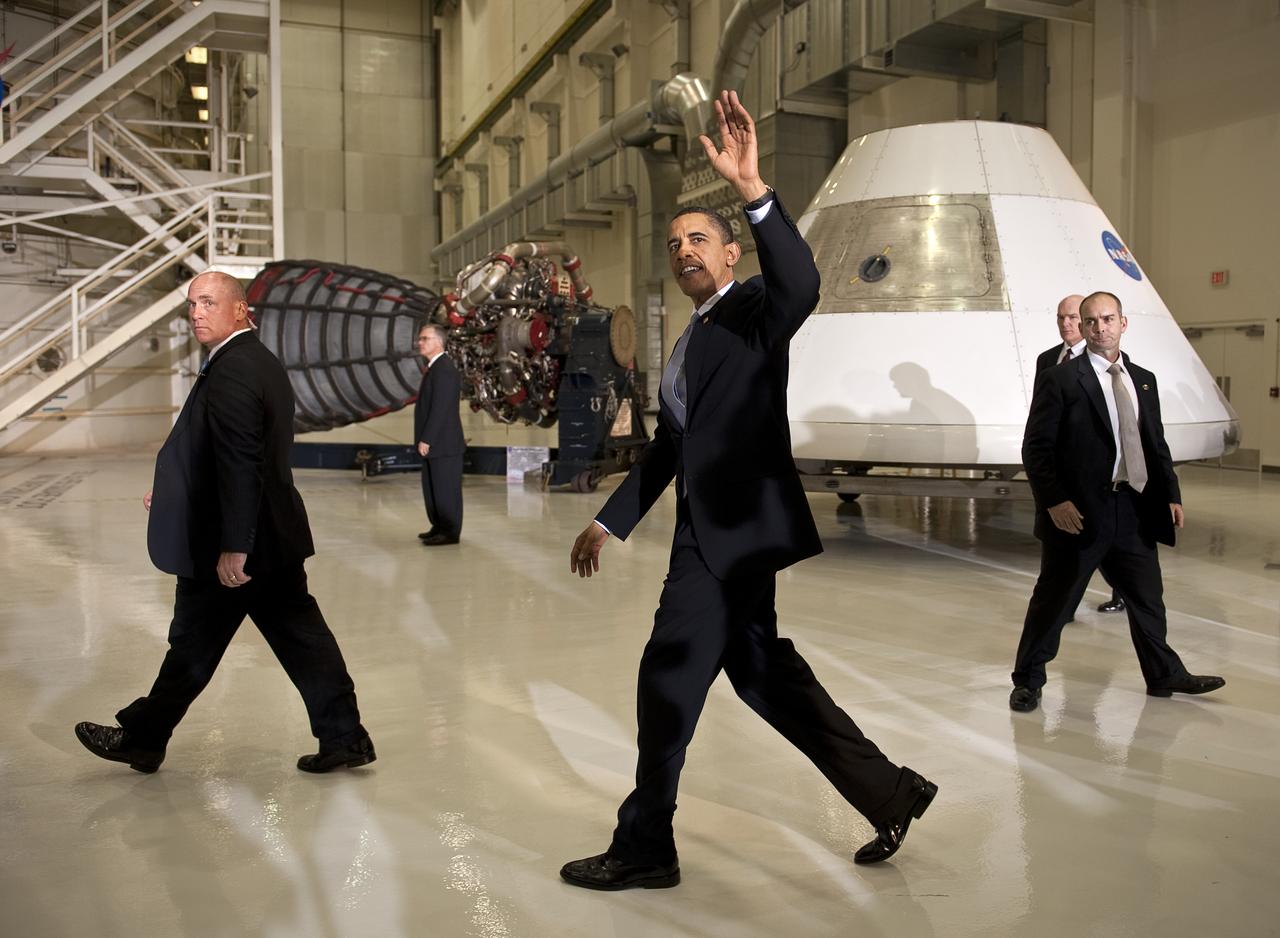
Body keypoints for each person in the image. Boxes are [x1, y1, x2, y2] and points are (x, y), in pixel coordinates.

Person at [558, 91, 936, 892]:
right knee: (766, 678)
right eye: (674, 243)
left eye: (700, 239)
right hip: (719, 532)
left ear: (731, 255)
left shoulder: (757, 309)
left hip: (725, 542)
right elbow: (671, 448)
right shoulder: (689, 340)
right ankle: (891, 791)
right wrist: (609, 520)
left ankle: (645, 847)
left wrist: (754, 191)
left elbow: (802, 282)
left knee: (667, 680)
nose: (685, 250)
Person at [74, 271, 374, 773]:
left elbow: (242, 460)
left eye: (208, 302)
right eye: (192, 304)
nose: (196, 312)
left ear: (239, 309)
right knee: (300, 641)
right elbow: (220, 453)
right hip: (270, 535)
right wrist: (175, 490)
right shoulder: (253, 360)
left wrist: (235, 544)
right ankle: (345, 737)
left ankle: (143, 739)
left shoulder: (235, 367)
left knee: (193, 645)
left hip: (237, 544)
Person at [1010, 291, 1225, 713]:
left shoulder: (1142, 378)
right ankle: (1028, 681)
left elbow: (1153, 441)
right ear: (1083, 328)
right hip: (1078, 512)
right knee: (1054, 601)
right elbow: (1036, 449)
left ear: (1123, 323)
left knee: (1147, 598)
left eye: (1108, 319)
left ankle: (1164, 674)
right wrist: (1055, 502)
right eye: (1091, 321)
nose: (1099, 327)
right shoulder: (1061, 380)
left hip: (1134, 507)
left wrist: (1171, 494)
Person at [1035, 294, 1125, 615]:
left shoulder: (1104, 361)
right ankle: (1060, 606)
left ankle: (1116, 592)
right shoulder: (1047, 360)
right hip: (1058, 469)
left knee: (1098, 539)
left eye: (1073, 317)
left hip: (1091, 470)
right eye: (1061, 317)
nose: (1066, 324)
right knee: (1059, 540)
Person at [413, 323, 465, 545]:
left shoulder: (444, 370)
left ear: (438, 342)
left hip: (443, 444)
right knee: (433, 488)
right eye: (420, 339)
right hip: (436, 443)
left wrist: (427, 439)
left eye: (425, 339)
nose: (420, 342)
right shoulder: (435, 368)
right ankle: (438, 526)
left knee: (446, 489)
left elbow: (440, 409)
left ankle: (450, 532)